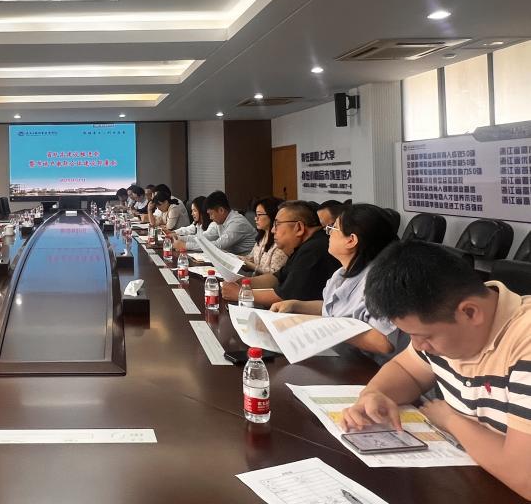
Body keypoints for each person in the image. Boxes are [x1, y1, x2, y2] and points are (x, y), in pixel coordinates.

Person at [342, 241, 531, 499]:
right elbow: (406, 369)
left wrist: (451, 420)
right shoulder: (448, 325)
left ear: (470, 312)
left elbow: (525, 476)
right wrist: (375, 393)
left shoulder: (524, 341)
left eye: (423, 336)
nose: (418, 346)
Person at [270, 203, 404, 362]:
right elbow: (332, 308)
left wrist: (323, 325)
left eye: (333, 228)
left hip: (371, 367)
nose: (328, 234)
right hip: (342, 358)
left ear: (351, 240)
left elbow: (383, 342)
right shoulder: (341, 274)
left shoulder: (383, 282)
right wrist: (296, 305)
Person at [222, 200, 339, 307]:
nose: (273, 230)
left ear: (299, 227)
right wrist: (242, 282)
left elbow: (284, 297)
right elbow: (276, 278)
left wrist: (240, 293)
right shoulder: (305, 245)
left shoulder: (314, 249)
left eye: (277, 224)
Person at [173, 190, 257, 255]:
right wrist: (179, 238)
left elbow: (217, 246)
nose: (210, 217)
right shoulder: (220, 222)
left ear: (221, 210)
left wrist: (185, 245)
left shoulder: (237, 223)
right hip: (233, 260)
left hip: (247, 266)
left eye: (211, 214)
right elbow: (203, 238)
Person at [238, 196, 288, 276]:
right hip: (256, 279)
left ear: (272, 215)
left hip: (268, 282)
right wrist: (235, 258)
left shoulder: (280, 241)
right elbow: (251, 258)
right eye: (256, 214)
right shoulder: (262, 236)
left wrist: (250, 265)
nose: (255, 218)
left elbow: (274, 274)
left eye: (259, 214)